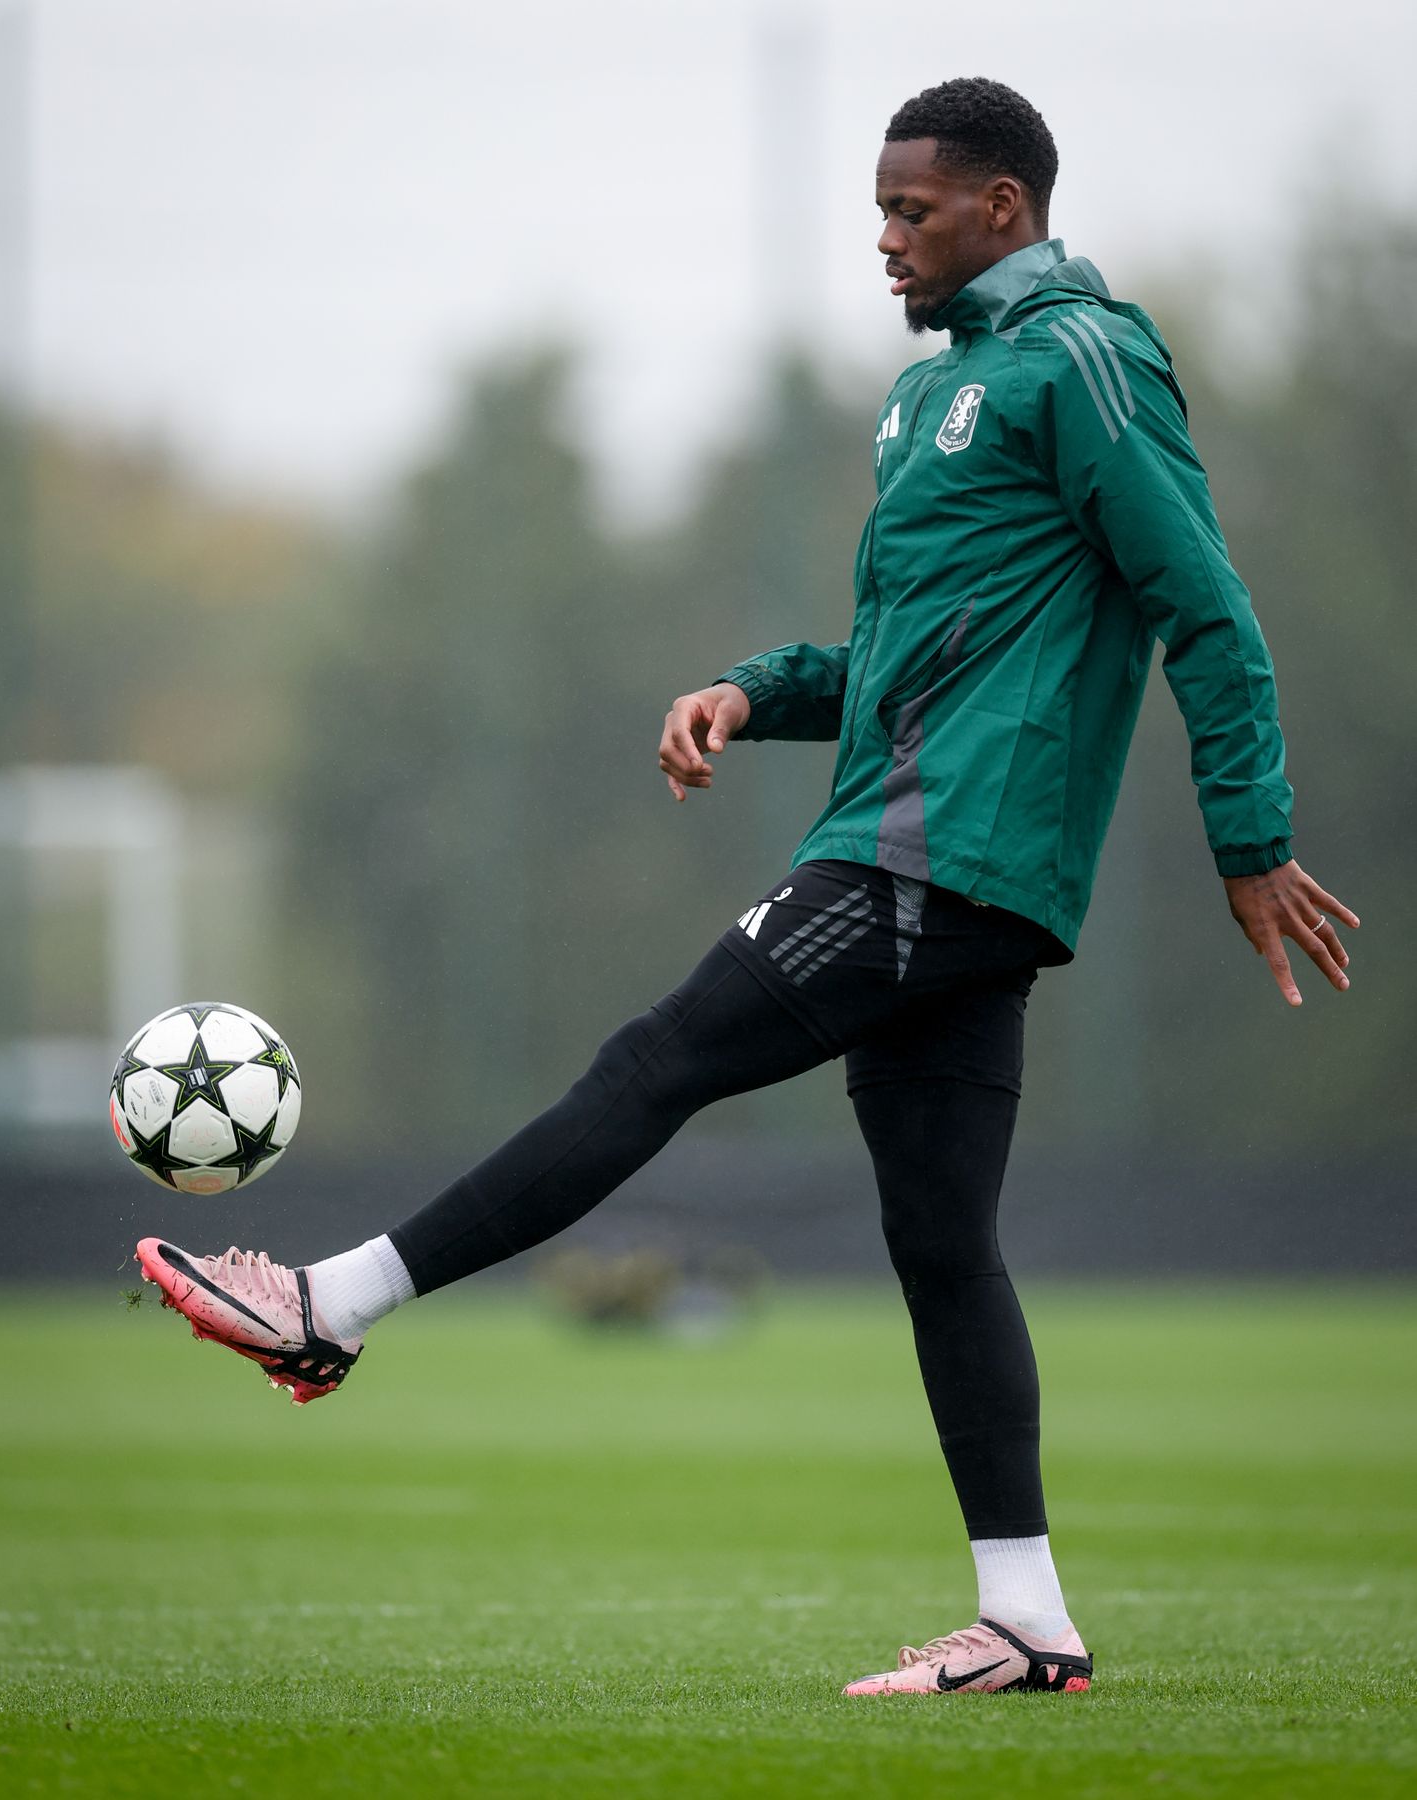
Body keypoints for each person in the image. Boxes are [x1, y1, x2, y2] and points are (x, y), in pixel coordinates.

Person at [136, 77, 1358, 1698]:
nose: (884, 239)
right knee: (940, 1243)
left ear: (1002, 205)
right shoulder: (940, 398)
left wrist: (1248, 834)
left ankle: (330, 1306)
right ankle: (1028, 1621)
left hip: (936, 856)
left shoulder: (1081, 356)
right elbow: (917, 660)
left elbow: (1201, 600)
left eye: (912, 211)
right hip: (931, 852)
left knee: (657, 1062)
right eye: (878, 209)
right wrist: (755, 691)